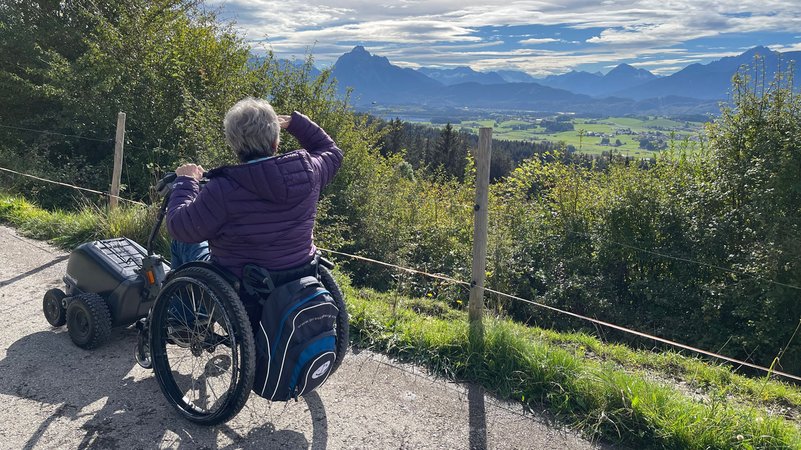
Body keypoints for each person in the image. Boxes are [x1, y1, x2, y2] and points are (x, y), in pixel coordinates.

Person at [165, 97, 343, 285]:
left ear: (234, 144)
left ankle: (176, 309)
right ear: (276, 142)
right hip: (298, 275)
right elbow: (330, 150)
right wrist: (295, 123)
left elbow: (179, 226)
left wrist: (186, 181)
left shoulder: (222, 189)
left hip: (241, 286)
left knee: (182, 243)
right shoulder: (308, 172)